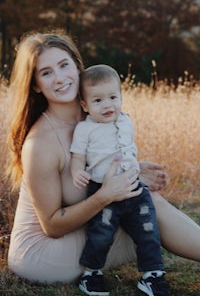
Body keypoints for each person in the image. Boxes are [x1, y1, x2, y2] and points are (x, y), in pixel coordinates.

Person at [6, 30, 200, 293]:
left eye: (64, 65)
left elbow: (93, 173)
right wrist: (106, 195)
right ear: (36, 85)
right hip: (42, 254)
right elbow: (51, 226)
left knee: (141, 198)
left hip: (73, 232)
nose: (60, 78)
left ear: (77, 65)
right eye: (46, 72)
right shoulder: (40, 143)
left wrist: (132, 171)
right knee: (146, 208)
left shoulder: (93, 117)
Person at [70, 64, 171, 296]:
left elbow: (127, 150)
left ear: (121, 97)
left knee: (148, 229)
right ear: (85, 105)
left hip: (134, 187)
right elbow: (78, 157)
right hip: (102, 190)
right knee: (101, 232)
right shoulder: (85, 129)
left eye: (113, 97)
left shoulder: (125, 120)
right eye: (98, 101)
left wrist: (137, 166)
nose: (107, 105)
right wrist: (77, 172)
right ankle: (92, 275)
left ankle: (152, 276)